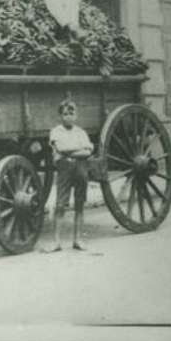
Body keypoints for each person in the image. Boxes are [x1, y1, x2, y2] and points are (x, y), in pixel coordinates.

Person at [46, 99, 94, 252]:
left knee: (79, 205)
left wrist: (70, 152)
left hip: (80, 169)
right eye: (65, 114)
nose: (68, 117)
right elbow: (61, 147)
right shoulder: (56, 131)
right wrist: (80, 149)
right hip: (64, 169)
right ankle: (56, 242)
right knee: (60, 205)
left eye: (71, 113)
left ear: (76, 115)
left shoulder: (81, 132)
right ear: (60, 116)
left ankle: (78, 240)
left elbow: (88, 151)